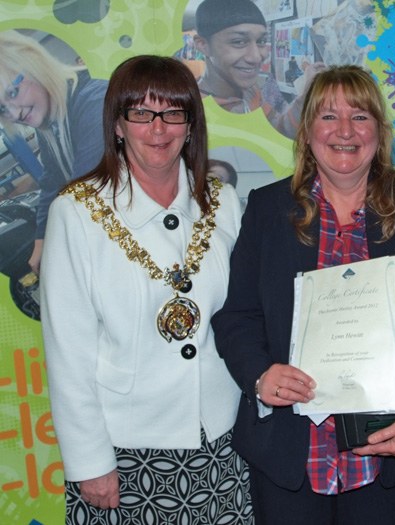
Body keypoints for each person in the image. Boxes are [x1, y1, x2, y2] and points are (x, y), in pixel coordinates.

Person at [211, 65, 395, 524]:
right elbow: (238, 315)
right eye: (328, 116)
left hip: (386, 452)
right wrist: (260, 375)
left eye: (360, 117)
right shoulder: (267, 209)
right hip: (289, 455)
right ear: (307, 131)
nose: (344, 132)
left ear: (379, 130)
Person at [40, 55, 253, 524]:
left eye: (173, 112)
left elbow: (243, 315)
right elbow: (67, 350)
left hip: (222, 439)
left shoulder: (223, 203)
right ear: (117, 124)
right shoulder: (75, 212)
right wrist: (89, 462)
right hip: (124, 451)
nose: (158, 128)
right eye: (141, 113)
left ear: (191, 125)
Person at [0, 30, 107, 275]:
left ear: (34, 65)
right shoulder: (51, 123)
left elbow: (84, 191)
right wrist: (41, 239)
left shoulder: (95, 101)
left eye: (13, 93)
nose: (14, 115)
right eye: (2, 109)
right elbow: (53, 181)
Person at [192, 0, 323, 139]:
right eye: (238, 42)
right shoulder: (187, 110)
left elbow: (277, 131)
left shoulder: (251, 92)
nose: (257, 57)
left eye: (260, 41)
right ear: (203, 45)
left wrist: (308, 92)